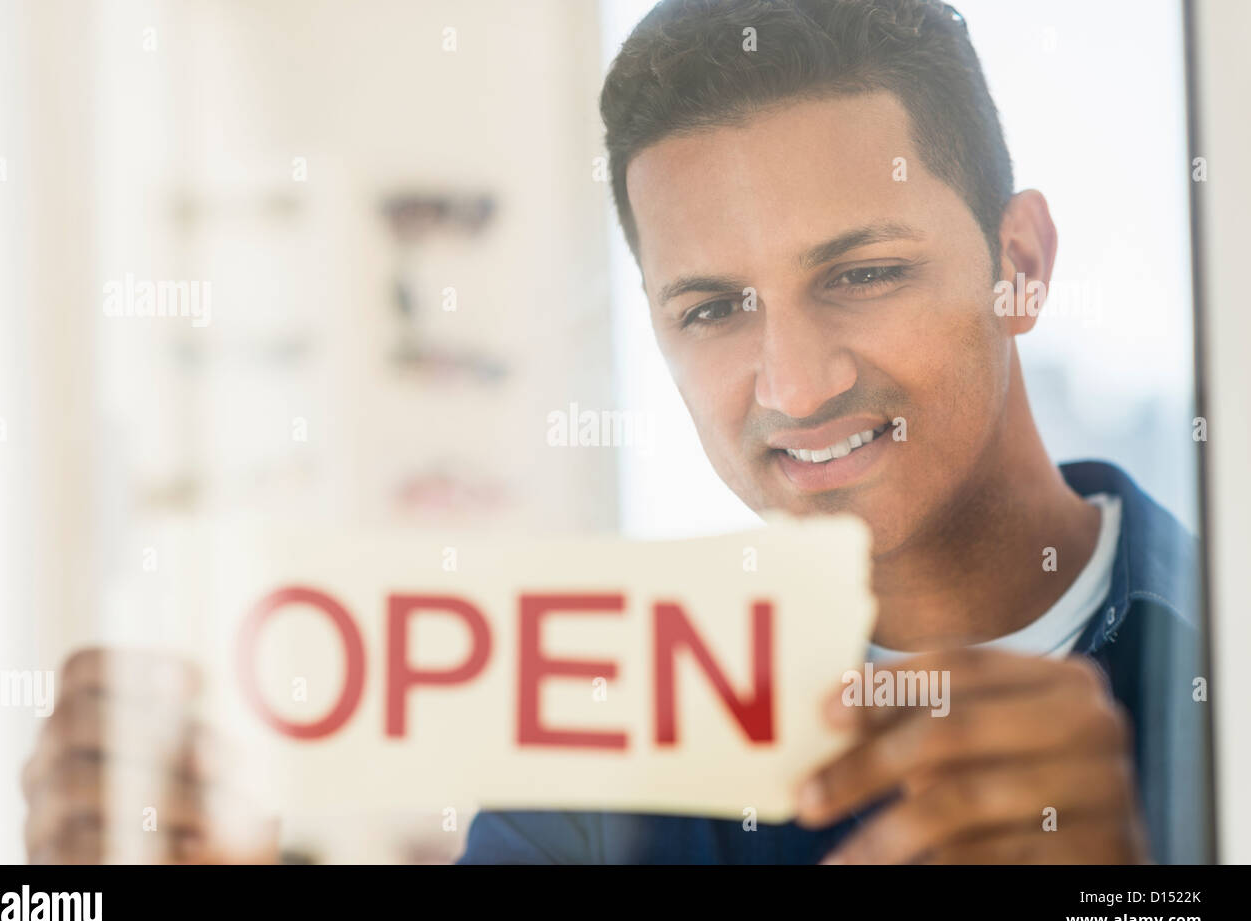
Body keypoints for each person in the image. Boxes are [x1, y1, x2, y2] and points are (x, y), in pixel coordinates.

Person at [458, 0, 1206, 863]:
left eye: (865, 273)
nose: (798, 386)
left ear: (1020, 268)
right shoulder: (592, 758)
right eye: (712, 309)